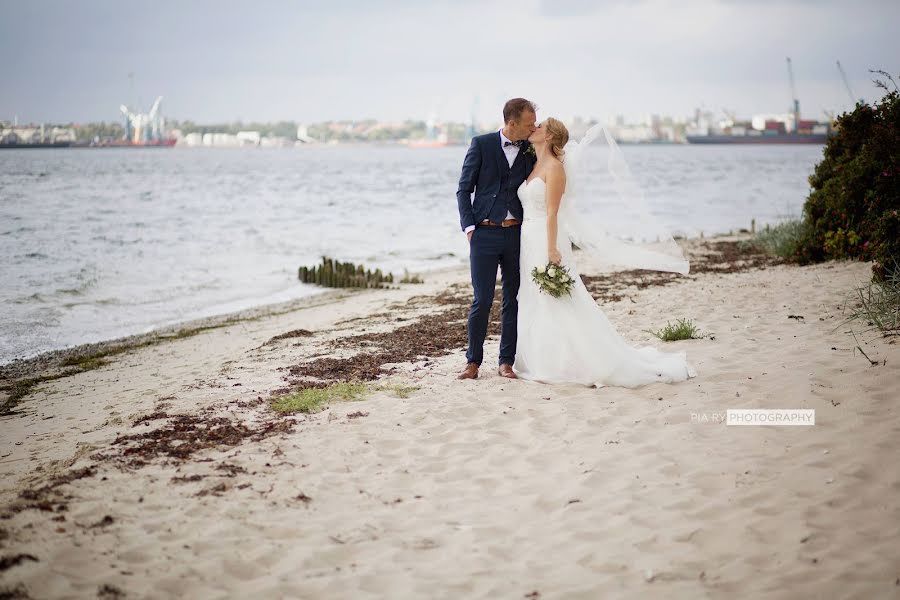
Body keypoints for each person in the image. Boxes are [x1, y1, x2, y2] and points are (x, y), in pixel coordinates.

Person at [513, 118, 697, 387]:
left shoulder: (555, 169)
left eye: (540, 126)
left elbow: (553, 212)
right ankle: (542, 358)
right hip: (528, 239)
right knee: (534, 296)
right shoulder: (535, 164)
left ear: (550, 136)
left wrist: (552, 248)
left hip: (546, 238)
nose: (534, 128)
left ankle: (577, 360)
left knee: (557, 297)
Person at [455, 98, 537, 380]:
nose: (533, 127)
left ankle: (506, 362)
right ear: (511, 123)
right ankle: (473, 362)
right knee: (482, 299)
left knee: (513, 299)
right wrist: (469, 228)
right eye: (529, 123)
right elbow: (464, 189)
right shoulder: (481, 144)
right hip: (484, 233)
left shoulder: (530, 149)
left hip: (517, 234)